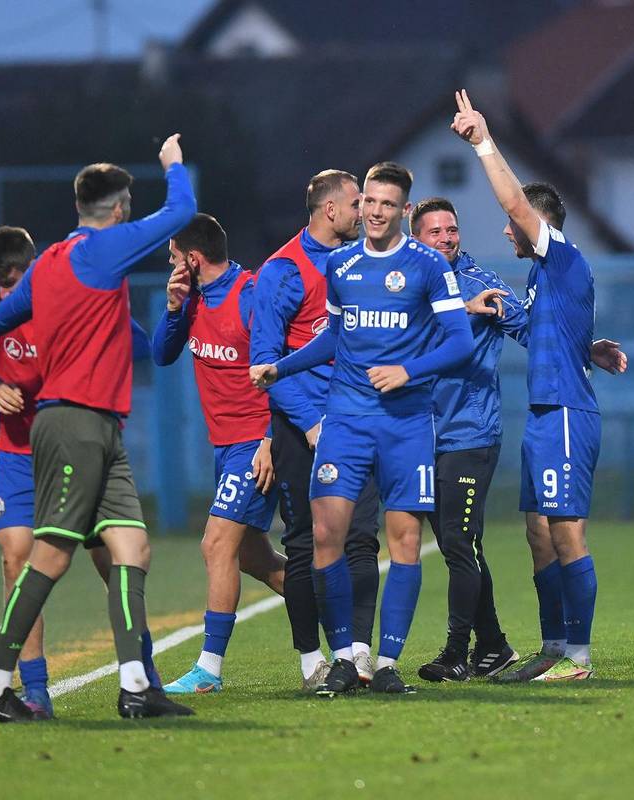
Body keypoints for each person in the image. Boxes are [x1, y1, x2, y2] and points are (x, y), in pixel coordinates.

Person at [0, 134, 197, 721]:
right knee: (48, 556)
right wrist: (174, 164)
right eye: (127, 204)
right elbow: (180, 213)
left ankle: (135, 687)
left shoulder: (50, 261)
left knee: (132, 547)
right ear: (120, 206)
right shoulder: (104, 250)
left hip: (100, 427)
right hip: (73, 423)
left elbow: (0, 315)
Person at [252, 161, 475, 695]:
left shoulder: (426, 266)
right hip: (347, 421)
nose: (374, 212)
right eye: (369, 202)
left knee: (403, 539)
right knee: (325, 536)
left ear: (403, 210)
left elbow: (460, 342)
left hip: (405, 424)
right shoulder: (342, 263)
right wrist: (281, 367)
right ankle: (345, 656)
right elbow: (335, 338)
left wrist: (409, 371)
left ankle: (389, 662)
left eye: (386, 205)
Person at [410, 198, 628, 682]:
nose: (447, 237)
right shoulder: (401, 281)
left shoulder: (484, 284)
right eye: (435, 231)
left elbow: (534, 330)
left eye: (453, 228)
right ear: (415, 239)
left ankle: (464, 653)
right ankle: (498, 646)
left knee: (464, 542)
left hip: (468, 431)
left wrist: (584, 348)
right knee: (475, 542)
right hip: (414, 434)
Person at [0, 226, 162, 718]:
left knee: (113, 559)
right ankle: (34, 690)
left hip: (72, 444)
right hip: (19, 451)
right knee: (18, 561)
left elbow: (139, 343)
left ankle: (144, 675)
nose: (7, 294)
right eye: (0, 287)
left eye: (14, 283)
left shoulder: (69, 280)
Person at [451, 90, 602, 682]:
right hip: (543, 412)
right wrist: (590, 346)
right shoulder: (544, 280)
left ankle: (580, 658)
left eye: (516, 226)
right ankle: (554, 648)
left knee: (566, 533)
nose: (508, 231)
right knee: (539, 532)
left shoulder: (561, 256)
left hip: (565, 412)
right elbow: (556, 331)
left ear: (537, 225)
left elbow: (514, 200)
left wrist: (484, 142)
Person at [250, 170, 383, 690]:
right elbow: (265, 363)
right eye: (357, 203)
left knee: (362, 542)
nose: (364, 211)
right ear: (330, 210)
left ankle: (358, 657)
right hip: (301, 431)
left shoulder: (360, 262)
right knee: (305, 546)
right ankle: (313, 664)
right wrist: (309, 423)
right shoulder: (283, 270)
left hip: (358, 422)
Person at [151, 213, 286, 693]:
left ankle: (208, 669)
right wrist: (172, 309)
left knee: (216, 545)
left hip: (255, 444)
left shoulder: (249, 295)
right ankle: (336, 621)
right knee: (252, 555)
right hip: (225, 446)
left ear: (192, 258)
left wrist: (271, 437)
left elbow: (278, 367)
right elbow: (161, 354)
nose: (169, 267)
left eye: (172, 259)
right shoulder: (190, 301)